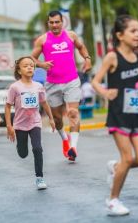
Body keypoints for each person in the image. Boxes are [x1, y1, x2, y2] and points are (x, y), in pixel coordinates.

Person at [91, 15, 138, 216]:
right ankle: (112, 200)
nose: (137, 34)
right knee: (128, 157)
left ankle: (115, 167)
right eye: (133, 31)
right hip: (118, 114)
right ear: (120, 35)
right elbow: (95, 82)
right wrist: (106, 92)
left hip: (135, 114)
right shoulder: (112, 57)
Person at [31, 10, 92, 162]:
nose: (54, 25)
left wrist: (87, 58)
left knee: (72, 113)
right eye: (51, 22)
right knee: (57, 118)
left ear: (62, 22)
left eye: (57, 22)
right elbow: (31, 58)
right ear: (48, 23)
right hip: (52, 84)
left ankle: (73, 147)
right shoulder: (43, 40)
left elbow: (81, 47)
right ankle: (65, 139)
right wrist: (41, 64)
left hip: (71, 80)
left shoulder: (71, 35)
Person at [5, 56, 56, 190]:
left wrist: (51, 118)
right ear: (19, 70)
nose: (29, 68)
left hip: (35, 122)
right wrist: (9, 126)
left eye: (31, 66)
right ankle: (20, 147)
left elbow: (44, 103)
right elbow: (8, 106)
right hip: (20, 124)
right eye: (25, 66)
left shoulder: (38, 86)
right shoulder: (14, 87)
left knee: (37, 148)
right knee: (23, 154)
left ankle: (39, 178)